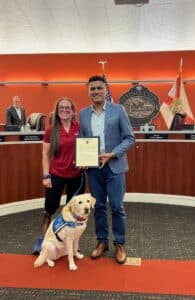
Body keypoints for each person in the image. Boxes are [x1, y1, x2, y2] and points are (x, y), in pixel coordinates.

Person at [79, 75, 135, 264]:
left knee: (117, 206)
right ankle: (102, 242)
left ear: (106, 90)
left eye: (99, 88)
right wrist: (83, 158)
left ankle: (119, 243)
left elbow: (129, 138)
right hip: (94, 168)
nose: (95, 91)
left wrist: (112, 154)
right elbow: (83, 139)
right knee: (99, 207)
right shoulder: (83, 113)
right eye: (92, 89)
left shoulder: (118, 110)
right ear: (89, 92)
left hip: (114, 166)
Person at [32, 97, 86, 255]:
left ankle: (73, 243)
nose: (64, 110)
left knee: (75, 212)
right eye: (61, 108)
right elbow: (45, 154)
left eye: (67, 108)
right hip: (56, 175)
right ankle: (42, 239)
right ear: (57, 110)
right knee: (49, 209)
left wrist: (85, 161)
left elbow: (86, 147)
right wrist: (46, 175)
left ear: (72, 110)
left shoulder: (79, 127)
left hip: (77, 176)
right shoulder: (51, 130)